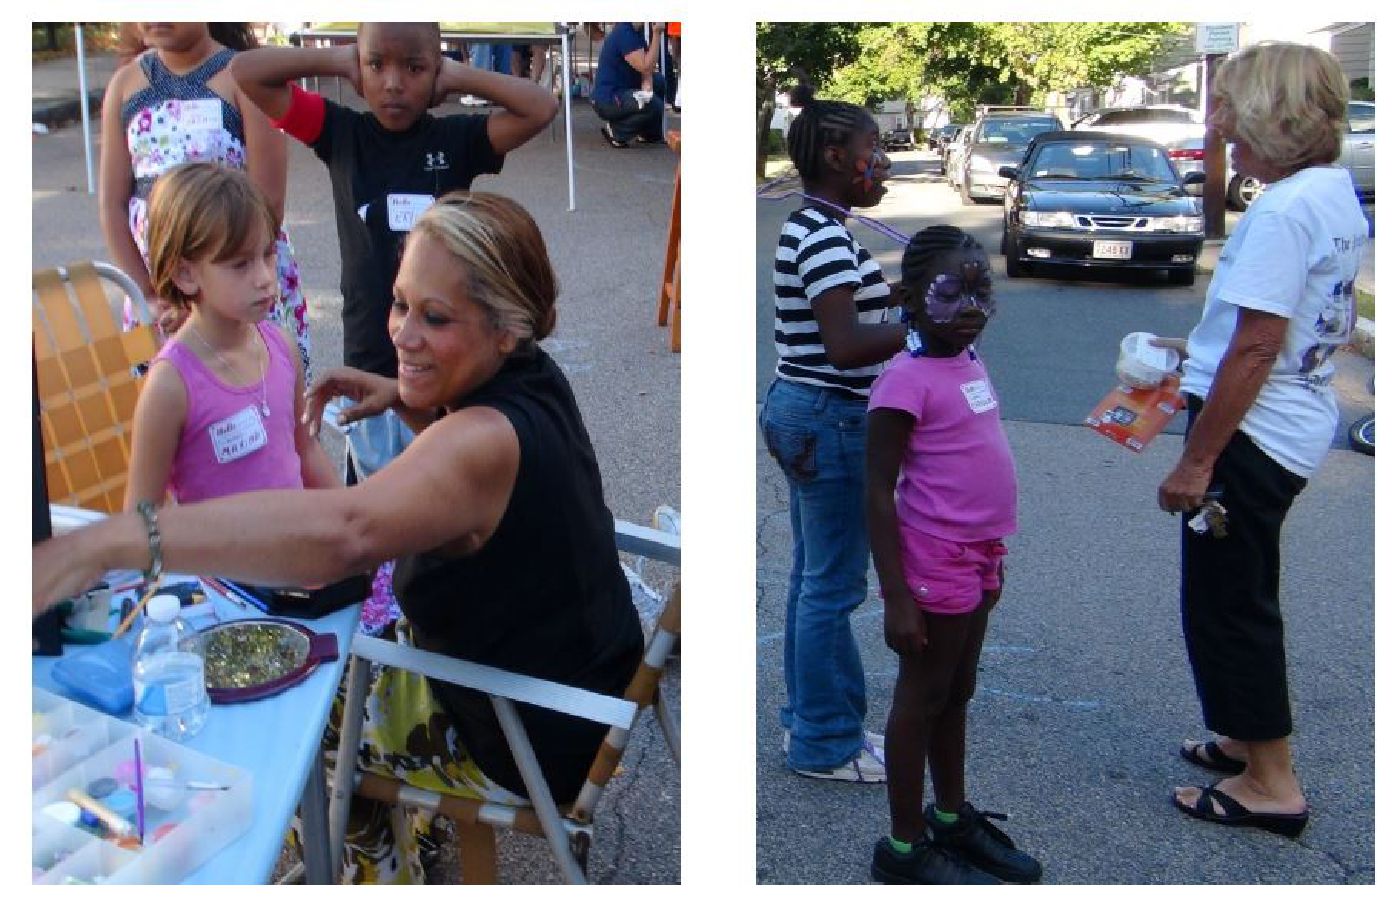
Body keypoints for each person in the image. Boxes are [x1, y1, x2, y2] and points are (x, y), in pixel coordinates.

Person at [33, 191, 645, 884]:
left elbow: (346, 532)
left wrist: (116, 539)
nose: (404, 335)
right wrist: (415, 402)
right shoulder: (533, 380)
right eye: (401, 303)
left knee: (288, 724)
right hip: (580, 691)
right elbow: (481, 495)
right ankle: (385, 862)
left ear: (507, 327)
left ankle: (371, 872)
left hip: (523, 732)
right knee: (325, 673)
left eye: (435, 317)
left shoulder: (479, 441)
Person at [1154, 42, 1368, 837]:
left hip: (1251, 435)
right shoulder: (1329, 194)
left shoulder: (1280, 210)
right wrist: (1188, 357)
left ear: (1273, 117)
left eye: (1234, 116)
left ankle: (1271, 783)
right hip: (1292, 423)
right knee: (1242, 590)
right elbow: (1304, 321)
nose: (1222, 133)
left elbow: (1256, 345)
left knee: (1228, 604)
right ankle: (1246, 739)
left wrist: (1197, 458)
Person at [231, 21, 557, 483]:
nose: (393, 83)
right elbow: (246, 71)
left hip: (445, 364)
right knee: (377, 489)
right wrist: (337, 61)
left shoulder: (456, 141)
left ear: (436, 71)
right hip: (371, 357)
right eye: (376, 65)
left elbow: (541, 107)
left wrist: (459, 75)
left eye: (415, 67)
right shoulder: (340, 133)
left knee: (443, 493)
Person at [865, 226, 1041, 884]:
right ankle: (905, 846)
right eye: (952, 293)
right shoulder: (903, 382)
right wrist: (897, 595)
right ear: (910, 297)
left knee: (957, 689)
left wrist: (993, 556)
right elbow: (878, 493)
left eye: (980, 292)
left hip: (978, 554)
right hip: (932, 562)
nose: (971, 308)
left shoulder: (968, 360)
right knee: (922, 693)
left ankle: (949, 815)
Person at [760, 98, 906, 783]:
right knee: (831, 585)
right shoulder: (820, 234)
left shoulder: (822, 228)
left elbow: (854, 308)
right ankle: (824, 740)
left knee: (813, 578)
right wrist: (926, 330)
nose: (880, 161)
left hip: (809, 413)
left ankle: (819, 720)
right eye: (871, 148)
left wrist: (918, 290)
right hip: (831, 417)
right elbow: (846, 343)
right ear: (836, 159)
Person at [99, 23, 312, 378]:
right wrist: (151, 296)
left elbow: (268, 203)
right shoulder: (124, 85)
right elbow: (111, 205)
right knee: (171, 405)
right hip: (157, 297)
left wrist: (211, 300)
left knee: (252, 400)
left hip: (237, 287)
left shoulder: (245, 78)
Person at [124, 163, 338, 512]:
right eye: (240, 264)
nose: (265, 278)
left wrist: (352, 522)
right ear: (185, 274)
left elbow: (306, 451)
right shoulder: (170, 386)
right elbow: (143, 518)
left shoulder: (282, 347)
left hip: (299, 556)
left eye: (267, 255)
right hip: (220, 566)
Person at [590, 22, 666, 148]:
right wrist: (657, 34)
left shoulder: (636, 31)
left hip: (623, 89)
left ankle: (649, 133)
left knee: (658, 81)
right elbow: (645, 66)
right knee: (654, 104)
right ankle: (617, 131)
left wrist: (647, 81)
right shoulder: (625, 33)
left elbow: (648, 67)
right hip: (609, 98)